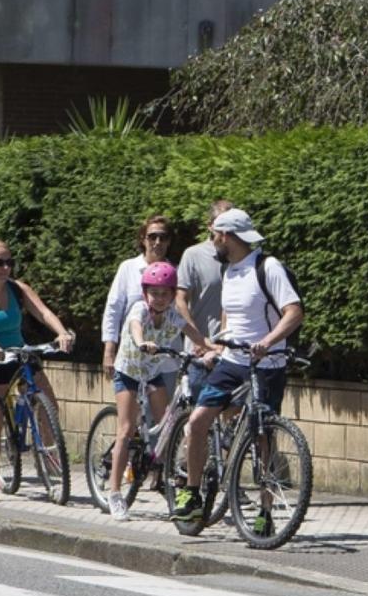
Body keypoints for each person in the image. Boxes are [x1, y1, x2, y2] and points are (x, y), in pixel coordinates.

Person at [170, 208, 303, 531]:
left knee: (263, 437)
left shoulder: (267, 267)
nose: (211, 240)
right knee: (199, 421)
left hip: (266, 364)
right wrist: (217, 345)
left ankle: (265, 513)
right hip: (232, 362)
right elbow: (230, 317)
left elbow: (294, 311)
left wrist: (268, 342)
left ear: (227, 236)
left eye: (215, 234)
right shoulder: (229, 270)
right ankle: (192, 493)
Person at [0, 240, 74, 502]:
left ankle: (49, 455)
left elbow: (43, 312)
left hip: (18, 354)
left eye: (10, 262)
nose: (6, 268)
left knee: (48, 404)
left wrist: (61, 333)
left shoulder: (18, 289)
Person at [105, 262, 213, 521]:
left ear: (172, 294)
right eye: (154, 293)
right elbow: (134, 326)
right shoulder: (140, 309)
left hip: (152, 373)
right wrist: (142, 342)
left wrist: (211, 349)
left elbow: (195, 335)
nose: (160, 298)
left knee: (167, 421)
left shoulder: (173, 314)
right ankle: (115, 493)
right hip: (128, 372)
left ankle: (160, 472)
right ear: (145, 293)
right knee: (127, 429)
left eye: (165, 293)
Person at [102, 216, 177, 386]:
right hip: (132, 359)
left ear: (169, 241)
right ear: (143, 239)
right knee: (133, 412)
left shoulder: (176, 272)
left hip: (165, 361)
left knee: (165, 413)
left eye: (163, 237)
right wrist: (109, 350)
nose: (157, 242)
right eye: (152, 236)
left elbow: (181, 314)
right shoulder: (128, 268)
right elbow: (113, 309)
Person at [176, 200, 234, 389]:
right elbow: (179, 299)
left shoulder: (240, 257)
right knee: (199, 415)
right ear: (210, 226)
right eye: (220, 224)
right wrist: (198, 340)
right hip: (199, 353)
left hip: (231, 353)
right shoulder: (193, 255)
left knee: (232, 415)